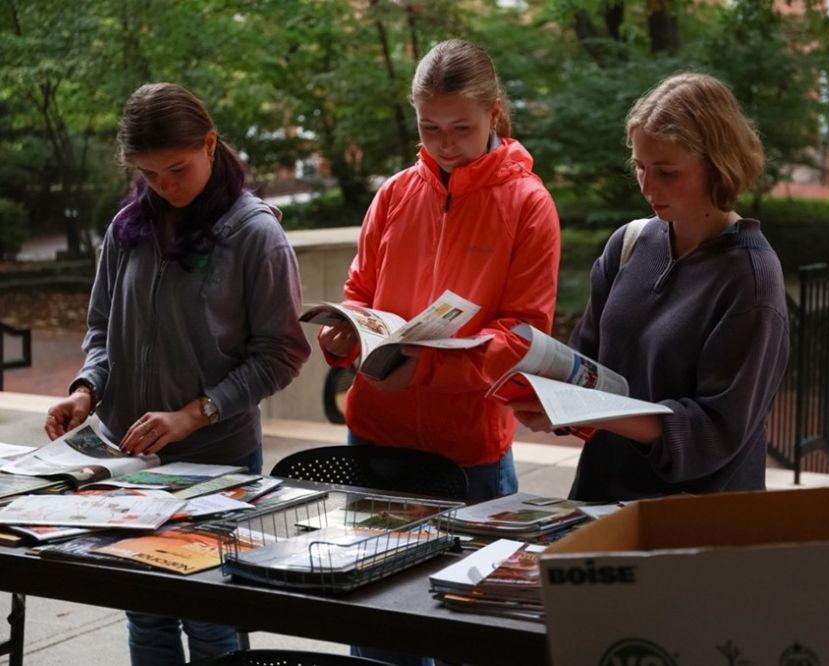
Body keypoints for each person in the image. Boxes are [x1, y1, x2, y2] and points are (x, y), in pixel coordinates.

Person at [44, 82, 311, 665]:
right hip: (128, 461)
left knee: (213, 624)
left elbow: (282, 353)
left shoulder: (255, 235)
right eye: (149, 175)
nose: (164, 187)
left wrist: (196, 413)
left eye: (176, 169)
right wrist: (87, 389)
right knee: (146, 614)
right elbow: (101, 328)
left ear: (210, 144)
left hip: (216, 460)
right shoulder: (126, 228)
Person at [513, 72, 789, 502]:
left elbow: (713, 432)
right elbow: (588, 364)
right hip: (599, 502)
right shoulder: (630, 243)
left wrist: (604, 412)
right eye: (640, 166)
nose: (647, 185)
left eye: (667, 172)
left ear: (720, 166)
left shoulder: (750, 280)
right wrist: (550, 400)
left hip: (693, 530)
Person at [319, 39, 561, 505]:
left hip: (469, 450)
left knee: (466, 577)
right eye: (429, 128)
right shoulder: (394, 193)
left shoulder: (528, 204)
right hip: (375, 432)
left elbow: (522, 337)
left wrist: (426, 369)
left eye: (461, 128)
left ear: (493, 115)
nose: (445, 145)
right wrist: (345, 330)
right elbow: (360, 291)